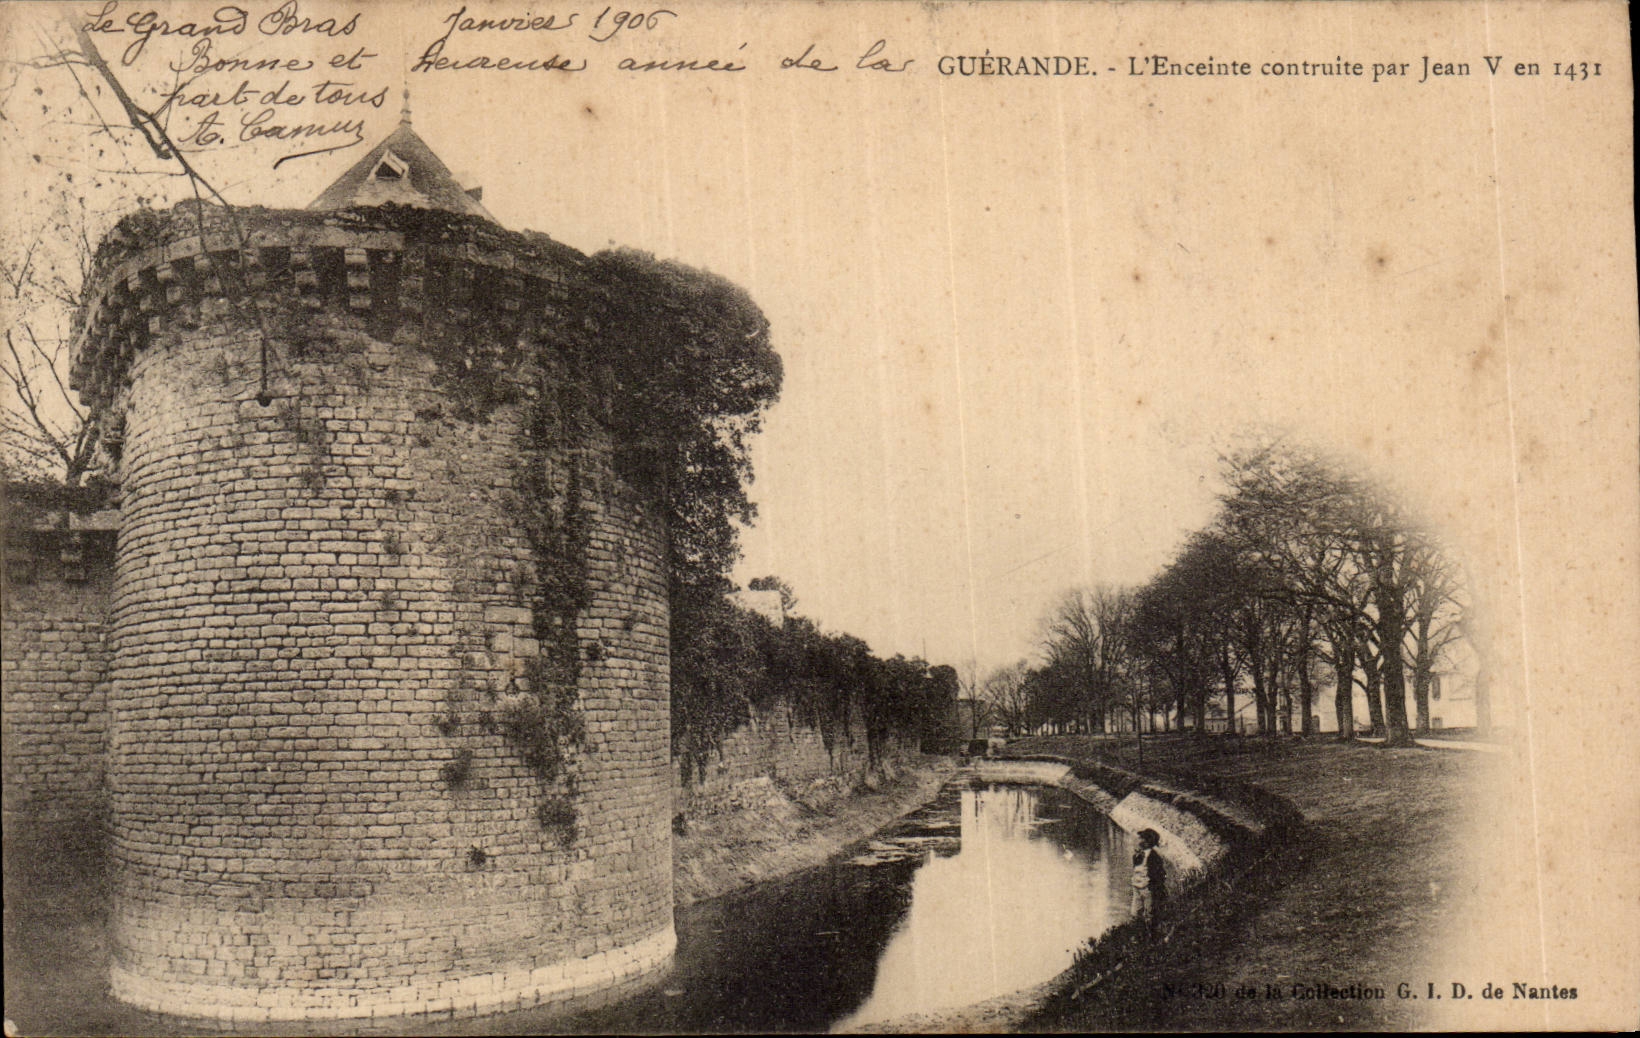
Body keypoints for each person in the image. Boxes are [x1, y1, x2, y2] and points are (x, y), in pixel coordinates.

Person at [1131, 828, 1167, 935]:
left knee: (1149, 915)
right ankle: (1138, 936)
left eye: (1141, 838)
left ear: (1147, 842)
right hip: (1137, 888)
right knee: (1135, 914)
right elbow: (1137, 869)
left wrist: (1154, 889)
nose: (1138, 840)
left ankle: (1150, 938)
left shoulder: (1154, 857)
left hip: (1147, 890)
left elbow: (1159, 876)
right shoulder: (1138, 855)